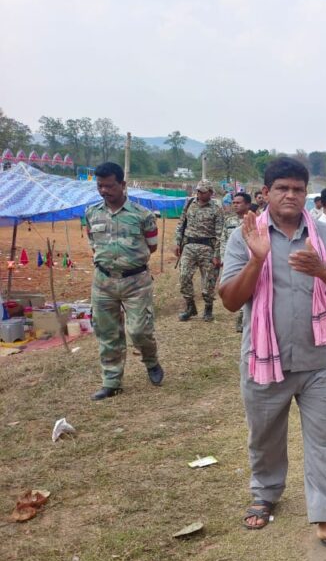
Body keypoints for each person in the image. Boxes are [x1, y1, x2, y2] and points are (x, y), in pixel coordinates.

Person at [219, 157, 326, 553]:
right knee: (265, 436)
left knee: (324, 439)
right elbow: (231, 301)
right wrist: (257, 259)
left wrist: (322, 270)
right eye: (282, 188)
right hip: (264, 359)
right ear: (265, 193)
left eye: (298, 189)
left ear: (307, 194)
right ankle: (265, 493)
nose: (290, 195)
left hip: (320, 359)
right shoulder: (244, 236)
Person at [84, 162, 164, 400]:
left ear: (122, 184)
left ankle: (151, 361)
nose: (104, 191)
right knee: (107, 332)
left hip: (135, 282)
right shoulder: (91, 213)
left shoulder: (142, 215)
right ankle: (112, 381)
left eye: (109, 186)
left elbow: (152, 246)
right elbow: (93, 243)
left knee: (139, 330)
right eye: (100, 186)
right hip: (103, 282)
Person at [175, 179, 225, 322]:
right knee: (184, 277)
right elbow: (181, 224)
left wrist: (217, 254)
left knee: (209, 281)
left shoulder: (216, 209)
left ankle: (208, 308)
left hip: (207, 248)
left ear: (210, 193)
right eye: (198, 191)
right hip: (189, 246)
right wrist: (177, 243)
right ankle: (190, 307)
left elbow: (219, 234)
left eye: (202, 192)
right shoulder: (190, 204)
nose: (199, 194)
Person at [223, 191, 252, 332]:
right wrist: (221, 257)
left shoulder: (254, 221)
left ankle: (242, 319)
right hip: (232, 260)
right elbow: (223, 239)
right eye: (233, 203)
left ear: (247, 204)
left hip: (249, 262)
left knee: (245, 290)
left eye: (238, 203)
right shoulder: (229, 221)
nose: (235, 205)